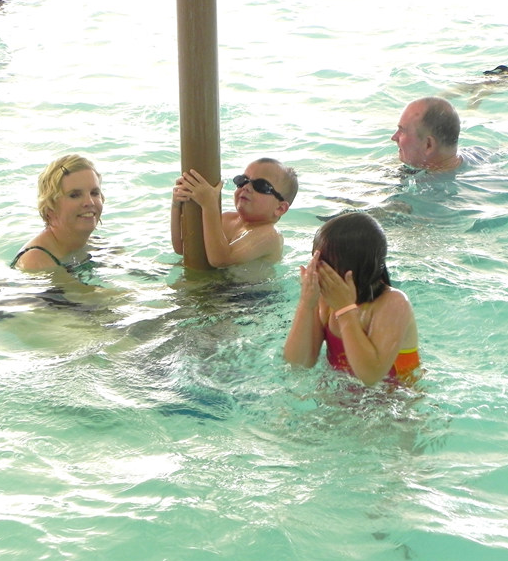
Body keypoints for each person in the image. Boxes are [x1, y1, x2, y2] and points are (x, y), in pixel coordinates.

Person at [283, 212, 420, 387]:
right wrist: (307, 303)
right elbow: (298, 363)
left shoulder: (393, 303)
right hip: (341, 395)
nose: (317, 270)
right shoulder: (326, 301)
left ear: (354, 270)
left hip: (395, 399)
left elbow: (371, 376)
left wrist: (345, 309)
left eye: (325, 264)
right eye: (315, 260)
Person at [170, 157, 298, 268]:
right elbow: (183, 248)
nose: (246, 187)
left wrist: (209, 205)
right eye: (242, 180)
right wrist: (176, 205)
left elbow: (220, 260)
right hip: (216, 284)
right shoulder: (227, 219)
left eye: (261, 186)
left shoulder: (270, 235)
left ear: (280, 209)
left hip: (247, 289)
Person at [10, 154, 104, 275]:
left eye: (94, 193)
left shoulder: (96, 244)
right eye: (74, 195)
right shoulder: (34, 260)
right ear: (50, 207)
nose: (89, 202)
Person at [391, 97, 463, 174]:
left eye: (402, 131)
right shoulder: (472, 156)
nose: (394, 137)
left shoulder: (422, 181)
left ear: (428, 144)